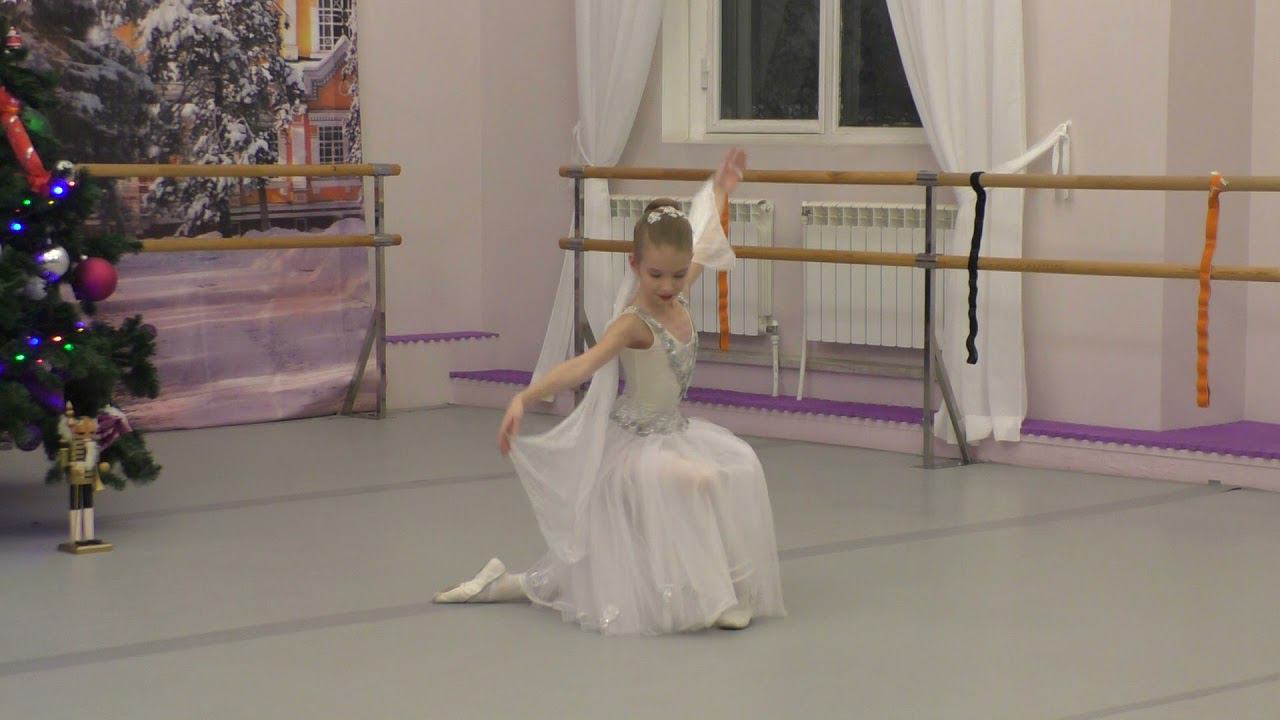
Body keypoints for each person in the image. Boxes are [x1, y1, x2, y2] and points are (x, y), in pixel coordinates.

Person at [434, 149, 785, 635]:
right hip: (632, 447)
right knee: (701, 479)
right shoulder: (632, 323)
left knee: (740, 465)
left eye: (677, 274)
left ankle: (507, 583)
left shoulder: (678, 291)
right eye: (655, 275)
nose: (668, 286)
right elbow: (583, 364)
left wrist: (722, 186)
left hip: (673, 433)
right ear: (634, 265)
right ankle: (717, 596)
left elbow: (705, 234)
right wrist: (523, 398)